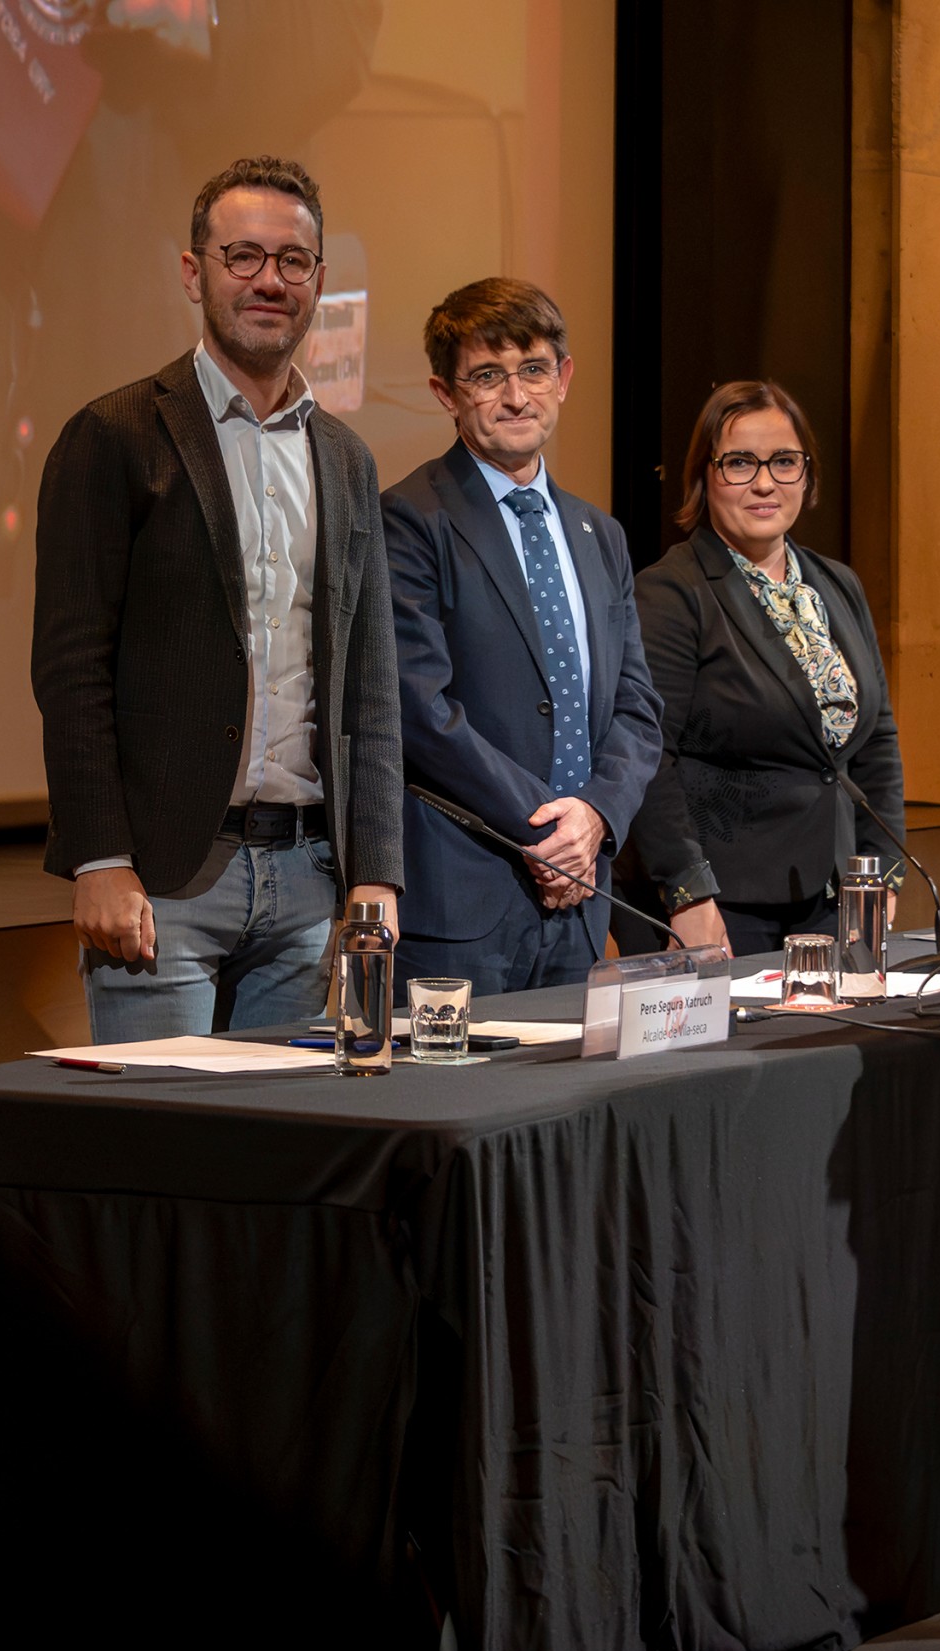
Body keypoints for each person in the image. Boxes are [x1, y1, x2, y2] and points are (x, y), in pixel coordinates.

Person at [32, 156, 404, 1044]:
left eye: (293, 260)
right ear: (194, 272)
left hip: (311, 881)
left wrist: (376, 871)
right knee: (162, 1126)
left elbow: (371, 685)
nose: (269, 280)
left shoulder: (346, 459)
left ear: (319, 281)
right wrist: (99, 857)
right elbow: (71, 668)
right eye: (243, 256)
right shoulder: (114, 436)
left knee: (284, 1129)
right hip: (164, 883)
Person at [383, 279, 663, 991]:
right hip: (465, 898)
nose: (515, 397)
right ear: (445, 394)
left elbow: (636, 707)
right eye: (487, 376)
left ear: (562, 379)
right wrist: (547, 830)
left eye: (533, 370)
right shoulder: (409, 518)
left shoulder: (601, 533)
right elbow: (420, 709)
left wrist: (595, 816)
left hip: (582, 895)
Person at [619, 381, 905, 955]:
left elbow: (877, 739)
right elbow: (650, 757)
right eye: (740, 463)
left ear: (807, 474)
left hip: (837, 896)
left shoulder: (838, 584)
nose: (765, 482)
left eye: (784, 461)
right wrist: (688, 893)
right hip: (722, 906)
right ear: (704, 475)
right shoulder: (671, 592)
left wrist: (884, 870)